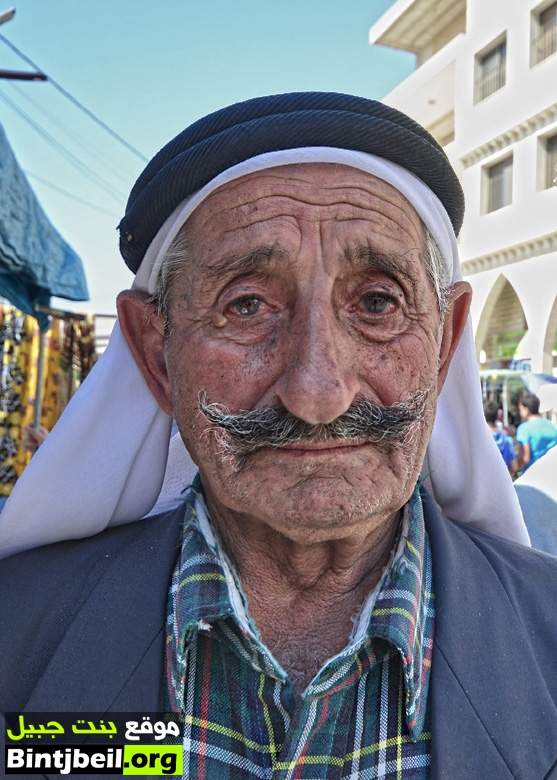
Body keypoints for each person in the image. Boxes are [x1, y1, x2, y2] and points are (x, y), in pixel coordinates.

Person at [1, 93, 556, 780]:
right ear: (155, 351)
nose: (317, 393)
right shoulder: (18, 635)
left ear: (443, 343)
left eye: (376, 302)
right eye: (246, 305)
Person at [516, 391, 557, 472]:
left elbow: (525, 458)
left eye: (520, 409)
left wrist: (514, 468)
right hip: (552, 472)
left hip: (532, 473)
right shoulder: (552, 426)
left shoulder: (524, 428)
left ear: (526, 409)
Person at [483, 400, 517, 475]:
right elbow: (514, 467)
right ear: (497, 416)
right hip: (502, 483)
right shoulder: (506, 440)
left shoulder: (478, 440)